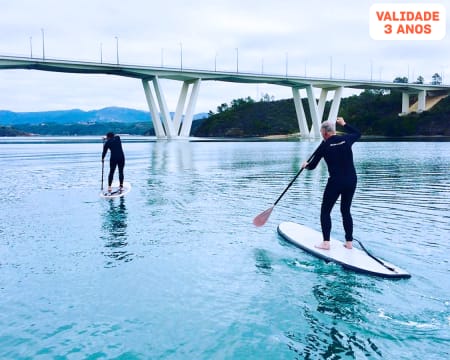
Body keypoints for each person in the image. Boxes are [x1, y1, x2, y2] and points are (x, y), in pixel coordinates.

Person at [302, 117, 361, 250]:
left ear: (325, 133)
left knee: (325, 211)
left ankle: (326, 243)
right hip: (351, 180)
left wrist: (305, 165)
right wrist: (344, 124)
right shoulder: (346, 139)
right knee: (346, 211)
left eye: (322, 132)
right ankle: (349, 243)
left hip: (336, 182)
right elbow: (358, 133)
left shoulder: (324, 146)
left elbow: (313, 166)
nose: (322, 134)